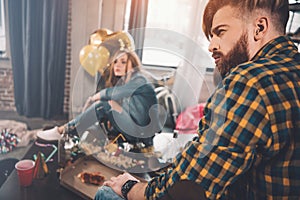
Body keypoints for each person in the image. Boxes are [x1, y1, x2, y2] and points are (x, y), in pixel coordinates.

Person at [95, 0, 300, 199]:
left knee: (107, 192)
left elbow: (184, 190)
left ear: (260, 27)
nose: (211, 46)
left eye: (221, 32)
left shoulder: (249, 81)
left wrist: (131, 187)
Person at [37, 49, 161, 149]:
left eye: (123, 62)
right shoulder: (128, 81)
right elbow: (125, 106)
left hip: (140, 134)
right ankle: (71, 137)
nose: (117, 65)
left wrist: (95, 97)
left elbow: (114, 93)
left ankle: (62, 132)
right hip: (136, 128)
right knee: (99, 119)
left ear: (132, 64)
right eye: (116, 62)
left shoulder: (139, 79)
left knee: (102, 105)